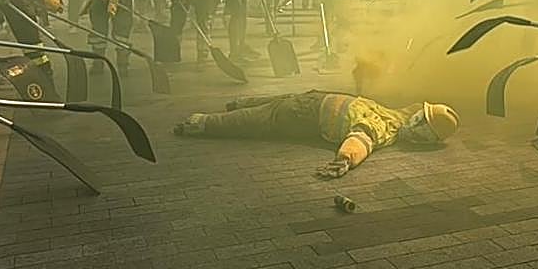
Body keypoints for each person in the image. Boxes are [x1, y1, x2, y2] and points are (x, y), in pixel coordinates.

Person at [174, 91, 459, 178]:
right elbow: (361, 139)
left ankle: (237, 102)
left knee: (271, 105)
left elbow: (361, 137)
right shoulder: (388, 126)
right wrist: (344, 160)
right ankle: (200, 124)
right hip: (305, 116)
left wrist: (347, 157)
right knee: (260, 120)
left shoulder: (390, 109)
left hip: (316, 98)